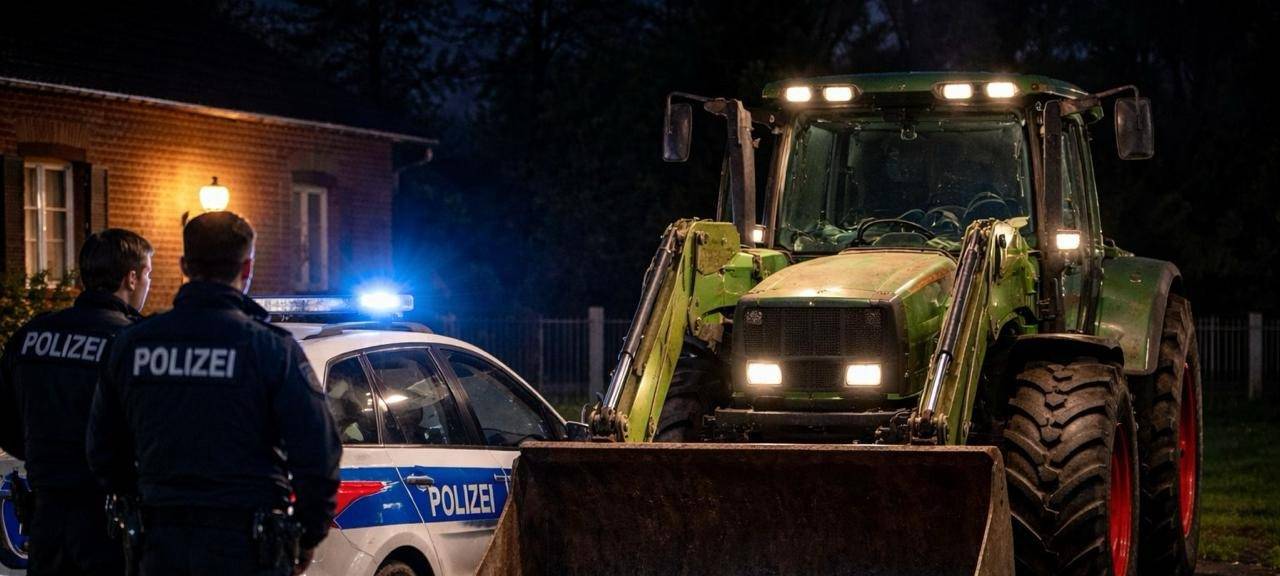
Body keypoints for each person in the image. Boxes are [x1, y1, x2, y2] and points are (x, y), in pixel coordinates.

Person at [87, 211, 341, 576]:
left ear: (183, 265)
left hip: (162, 545)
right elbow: (319, 453)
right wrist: (306, 535)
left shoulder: (132, 345)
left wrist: (144, 500)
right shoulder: (271, 349)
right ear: (248, 267)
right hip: (248, 549)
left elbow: (102, 451)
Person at [0, 228, 153, 576]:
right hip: (108, 524)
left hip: (46, 521)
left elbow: (5, 420)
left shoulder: (31, 335)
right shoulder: (133, 342)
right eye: (147, 274)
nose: (147, 284)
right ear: (131, 277)